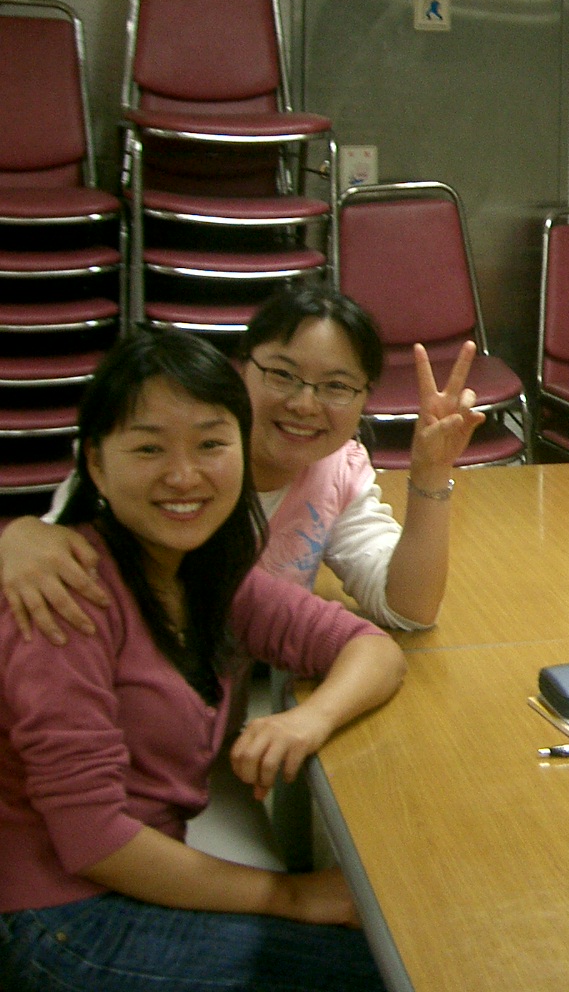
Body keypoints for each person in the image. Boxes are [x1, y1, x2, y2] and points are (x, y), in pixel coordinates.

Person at [0, 327, 407, 991]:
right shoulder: (66, 597)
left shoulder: (205, 573)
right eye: (149, 448)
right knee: (394, 969)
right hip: (61, 919)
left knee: (405, 936)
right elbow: (94, 839)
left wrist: (307, 719)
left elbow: (372, 648)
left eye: (211, 444)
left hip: (138, 881)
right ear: (95, 464)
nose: (184, 475)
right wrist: (292, 897)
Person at [1, 284, 486, 641]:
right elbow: (52, 546)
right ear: (240, 368)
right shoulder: (174, 459)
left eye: (337, 386)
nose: (304, 404)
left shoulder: (337, 471)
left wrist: (429, 474)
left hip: (253, 687)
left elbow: (409, 608)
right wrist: (20, 537)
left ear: (364, 398)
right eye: (282, 375)